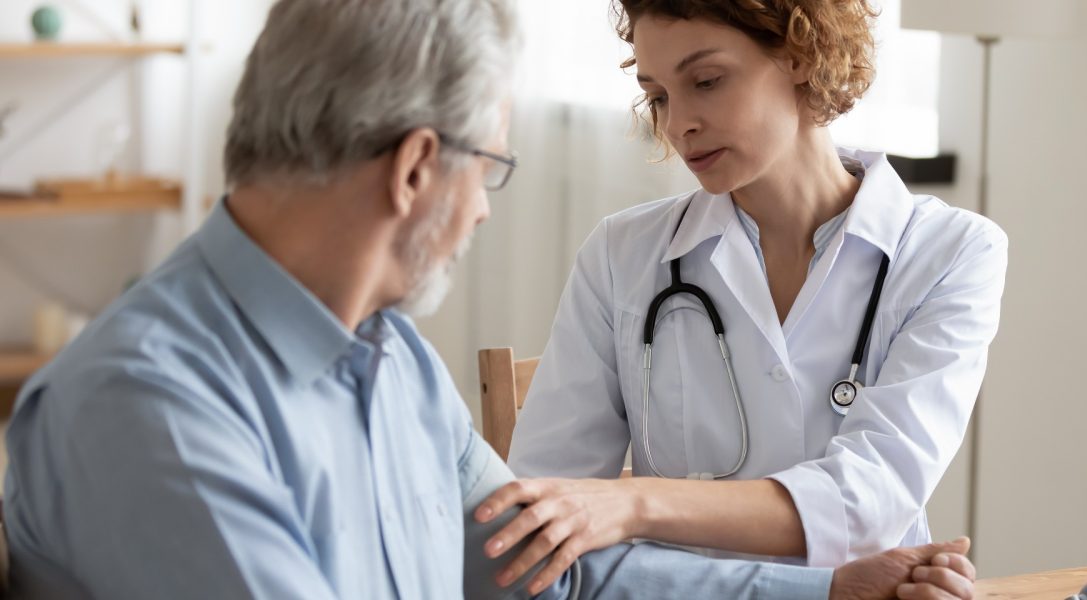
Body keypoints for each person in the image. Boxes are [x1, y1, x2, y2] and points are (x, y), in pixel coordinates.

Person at [2, 0, 977, 599]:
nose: (482, 216)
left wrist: (833, 594)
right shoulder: (152, 408)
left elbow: (543, 569)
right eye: (493, 171)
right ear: (417, 171)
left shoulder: (392, 366)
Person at [495, 0, 1009, 591]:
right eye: (659, 95)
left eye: (706, 82)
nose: (678, 123)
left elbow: (870, 503)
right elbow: (537, 529)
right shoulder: (621, 255)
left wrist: (633, 503)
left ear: (799, 52)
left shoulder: (951, 253)